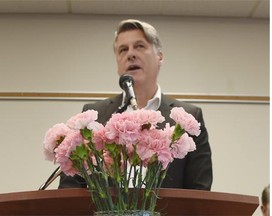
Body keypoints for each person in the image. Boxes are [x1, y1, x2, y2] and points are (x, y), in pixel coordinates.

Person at [59, 19, 213, 190]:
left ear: (159, 56)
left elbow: (200, 190)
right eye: (123, 50)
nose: (130, 54)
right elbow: (70, 188)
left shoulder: (187, 118)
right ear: (118, 64)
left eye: (139, 46)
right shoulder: (93, 115)